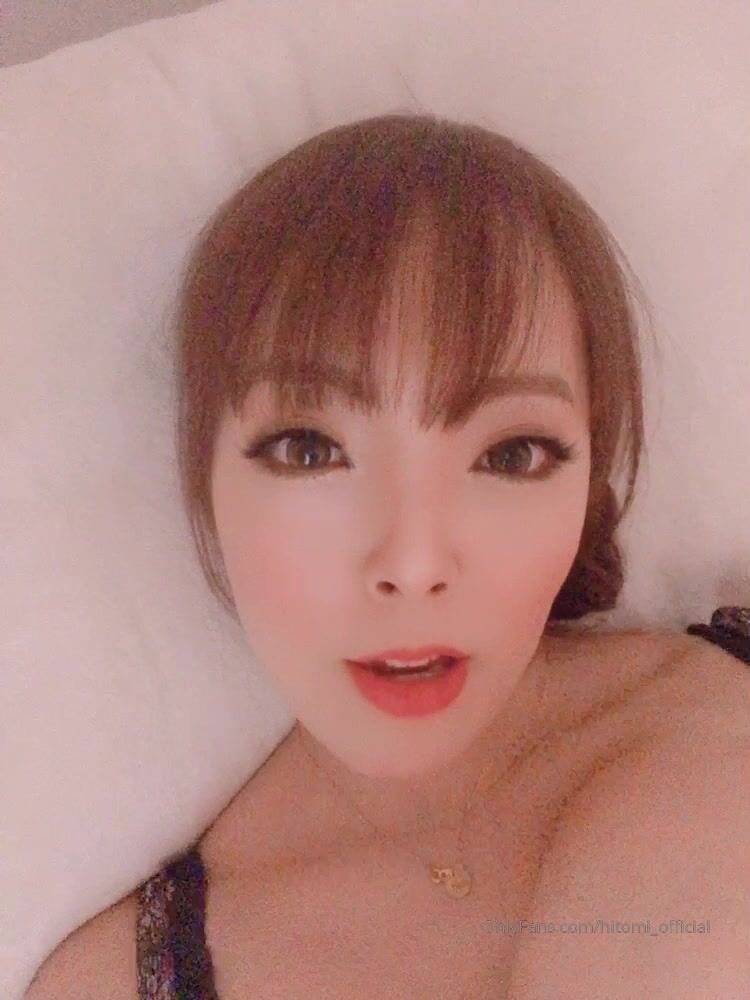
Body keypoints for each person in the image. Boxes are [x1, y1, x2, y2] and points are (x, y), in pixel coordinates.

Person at [26, 112, 750, 1000]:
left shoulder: (703, 728)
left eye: (512, 454)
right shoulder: (109, 984)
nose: (412, 564)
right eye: (309, 450)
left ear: (589, 478)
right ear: (204, 479)